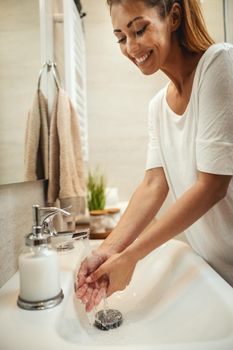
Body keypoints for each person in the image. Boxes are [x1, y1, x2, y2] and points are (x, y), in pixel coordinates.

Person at [76, 0, 233, 312]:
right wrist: (108, 251)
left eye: (139, 29)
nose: (131, 47)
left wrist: (132, 255)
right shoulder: (158, 106)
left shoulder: (219, 63)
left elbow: (213, 186)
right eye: (121, 38)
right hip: (217, 272)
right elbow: (152, 185)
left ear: (173, 16)